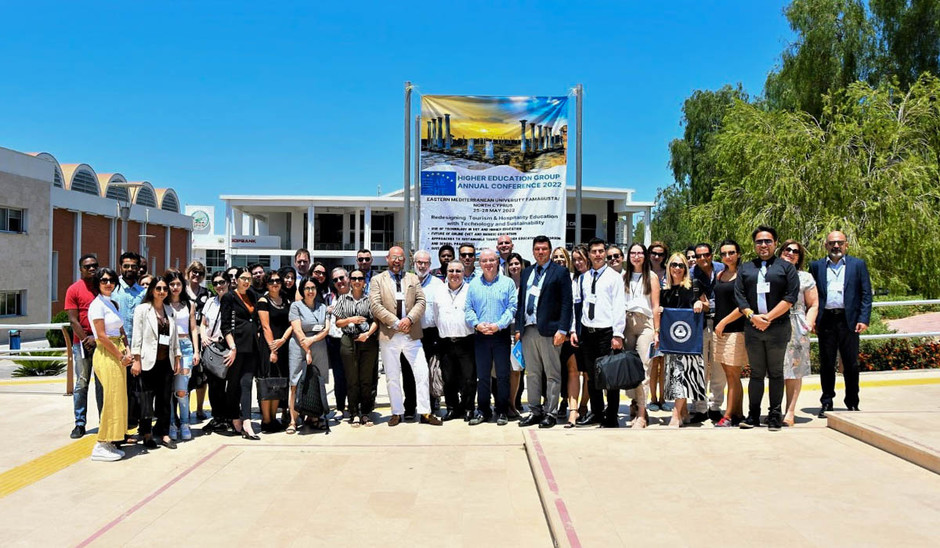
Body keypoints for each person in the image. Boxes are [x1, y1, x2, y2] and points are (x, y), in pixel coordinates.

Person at [734, 225, 799, 431]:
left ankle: (774, 415)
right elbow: (740, 296)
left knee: (776, 373)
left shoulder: (786, 268)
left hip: (777, 328)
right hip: (753, 328)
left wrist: (768, 318)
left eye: (767, 241)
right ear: (754, 245)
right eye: (759, 242)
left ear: (775, 243)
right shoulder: (746, 268)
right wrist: (752, 317)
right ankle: (753, 415)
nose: (763, 245)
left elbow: (790, 297)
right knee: (756, 373)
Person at [369, 246, 442, 426]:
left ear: (404, 261)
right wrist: (396, 323)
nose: (397, 261)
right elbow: (375, 305)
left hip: (411, 334)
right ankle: (396, 412)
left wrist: (409, 320)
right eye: (394, 257)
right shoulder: (377, 280)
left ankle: (425, 412)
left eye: (400, 258)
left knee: (422, 372)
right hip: (390, 334)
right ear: (387, 259)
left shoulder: (412, 278)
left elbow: (421, 301)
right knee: (392, 375)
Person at [810, 230, 872, 416]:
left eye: (840, 242)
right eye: (832, 243)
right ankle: (827, 401)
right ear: (826, 246)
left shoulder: (857, 265)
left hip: (849, 320)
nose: (836, 246)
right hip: (826, 320)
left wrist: (863, 319)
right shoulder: (816, 266)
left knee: (851, 364)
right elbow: (810, 295)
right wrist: (812, 319)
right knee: (827, 363)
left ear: (846, 245)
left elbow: (866, 294)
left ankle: (852, 401)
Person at [516, 236, 573, 429]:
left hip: (550, 331)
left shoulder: (560, 272)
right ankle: (535, 410)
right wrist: (519, 328)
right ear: (533, 251)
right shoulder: (527, 272)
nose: (540, 252)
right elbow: (521, 301)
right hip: (529, 329)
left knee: (552, 374)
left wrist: (562, 329)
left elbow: (566, 303)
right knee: (532, 373)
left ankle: (550, 412)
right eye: (537, 249)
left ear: (549, 250)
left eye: (544, 249)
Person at [571, 239, 626, 428]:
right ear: (589, 254)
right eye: (594, 251)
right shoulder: (584, 278)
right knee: (591, 375)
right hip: (588, 332)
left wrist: (617, 334)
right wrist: (574, 330)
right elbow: (578, 307)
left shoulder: (614, 277)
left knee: (609, 376)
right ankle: (596, 412)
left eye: (601, 251)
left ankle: (611, 416)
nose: (598, 255)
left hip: (607, 332)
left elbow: (619, 306)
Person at [465, 249, 518, 425]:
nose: (488, 264)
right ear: (480, 264)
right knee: (483, 376)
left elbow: (512, 307)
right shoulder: (474, 285)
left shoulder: (508, 283)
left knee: (502, 375)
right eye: (484, 261)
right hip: (481, 336)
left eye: (491, 260)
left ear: (497, 262)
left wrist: (498, 325)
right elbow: (468, 309)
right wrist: (477, 324)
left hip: (500, 335)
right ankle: (483, 410)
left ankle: (502, 410)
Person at [655, 253, 708, 428]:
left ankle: (676, 415)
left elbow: (707, 305)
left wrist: (700, 304)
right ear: (669, 267)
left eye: (681, 265)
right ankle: (682, 411)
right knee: (676, 376)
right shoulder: (664, 290)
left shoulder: (694, 285)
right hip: (672, 340)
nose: (677, 268)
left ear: (685, 268)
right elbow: (659, 311)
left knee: (684, 376)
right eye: (674, 265)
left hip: (691, 340)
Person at [87, 268, 133, 461]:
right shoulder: (97, 305)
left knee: (118, 398)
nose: (108, 284)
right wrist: (120, 356)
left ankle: (112, 440)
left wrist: (127, 350)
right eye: (104, 280)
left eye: (112, 280)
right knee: (110, 398)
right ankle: (101, 443)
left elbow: (120, 330)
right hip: (107, 353)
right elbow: (102, 336)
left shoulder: (111, 303)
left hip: (118, 351)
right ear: (97, 283)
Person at [131, 275, 181, 449]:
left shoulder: (169, 310)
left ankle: (165, 433)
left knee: (165, 399)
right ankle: (147, 434)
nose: (162, 292)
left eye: (165, 289)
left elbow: (174, 337)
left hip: (166, 362)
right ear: (152, 290)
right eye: (158, 288)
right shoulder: (142, 309)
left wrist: (177, 357)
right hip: (147, 361)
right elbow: (136, 336)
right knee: (146, 399)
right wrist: (136, 360)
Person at [779, 240, 819, 427]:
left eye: (795, 251)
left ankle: (790, 411)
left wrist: (808, 324)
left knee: (794, 370)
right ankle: (775, 410)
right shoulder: (771, 273)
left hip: (796, 325)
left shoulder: (805, 278)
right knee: (777, 369)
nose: (790, 253)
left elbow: (814, 304)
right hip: (774, 324)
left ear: (799, 257)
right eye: (787, 249)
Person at [334, 270, 379, 426]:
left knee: (366, 378)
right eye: (354, 278)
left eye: (360, 278)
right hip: (349, 339)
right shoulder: (342, 299)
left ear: (364, 281)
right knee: (352, 378)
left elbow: (376, 321)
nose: (357, 281)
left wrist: (367, 334)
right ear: (350, 281)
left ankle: (365, 412)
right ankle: (353, 412)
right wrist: (350, 320)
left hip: (367, 340)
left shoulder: (370, 299)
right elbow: (337, 322)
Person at [221, 267, 261, 440]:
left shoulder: (253, 295)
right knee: (233, 384)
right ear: (236, 280)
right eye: (243, 278)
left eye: (249, 279)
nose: (246, 281)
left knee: (247, 383)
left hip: (251, 346)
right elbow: (225, 325)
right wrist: (232, 347)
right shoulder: (229, 297)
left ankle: (247, 421)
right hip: (236, 347)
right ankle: (234, 417)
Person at [66, 254, 103, 439]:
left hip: (101, 343)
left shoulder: (102, 287)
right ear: (80, 269)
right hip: (81, 345)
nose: (92, 269)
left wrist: (96, 338)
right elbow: (73, 320)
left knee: (102, 384)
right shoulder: (74, 289)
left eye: (94, 265)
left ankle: (104, 422)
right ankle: (80, 423)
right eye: (87, 266)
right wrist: (86, 339)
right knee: (81, 383)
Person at [622, 243, 659, 429]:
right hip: (627, 323)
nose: (636, 256)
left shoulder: (651, 277)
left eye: (640, 253)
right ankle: (634, 404)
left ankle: (642, 415)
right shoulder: (624, 276)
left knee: (644, 367)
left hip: (645, 323)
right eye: (633, 253)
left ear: (645, 256)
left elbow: (655, 306)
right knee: (629, 367)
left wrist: (657, 331)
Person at [288, 276, 331, 431]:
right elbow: (297, 329)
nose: (310, 291)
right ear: (302, 290)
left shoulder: (322, 306)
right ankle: (293, 421)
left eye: (313, 288)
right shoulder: (296, 306)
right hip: (299, 347)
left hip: (318, 346)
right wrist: (307, 350)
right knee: (295, 383)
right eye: (307, 288)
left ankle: (314, 417)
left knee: (317, 382)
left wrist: (312, 340)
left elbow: (326, 329)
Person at [435, 261, 476, 421]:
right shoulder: (439, 291)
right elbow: (436, 315)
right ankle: (452, 408)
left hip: (466, 341)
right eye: (451, 270)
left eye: (458, 271)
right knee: (448, 378)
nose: (454, 274)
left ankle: (468, 408)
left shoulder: (471, 290)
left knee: (469, 378)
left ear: (464, 273)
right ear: (446, 273)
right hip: (446, 342)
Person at [712, 239, 748, 427]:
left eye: (731, 252)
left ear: (738, 254)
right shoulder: (719, 275)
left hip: (736, 330)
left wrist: (724, 322)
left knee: (733, 375)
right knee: (730, 375)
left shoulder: (743, 275)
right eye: (724, 253)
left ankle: (727, 416)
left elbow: (743, 306)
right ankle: (738, 414)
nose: (727, 256)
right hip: (720, 331)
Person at [690, 243, 726, 424]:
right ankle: (700, 407)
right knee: (699, 367)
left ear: (712, 255)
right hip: (700, 324)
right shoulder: (691, 274)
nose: (703, 258)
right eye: (699, 256)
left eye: (706, 255)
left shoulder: (722, 269)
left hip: (721, 323)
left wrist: (708, 304)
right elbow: (691, 299)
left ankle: (715, 407)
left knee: (719, 367)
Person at [257, 270, 293, 432]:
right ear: (266, 284)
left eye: (278, 281)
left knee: (278, 382)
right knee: (267, 382)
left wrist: (283, 340)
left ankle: (273, 418)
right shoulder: (263, 301)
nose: (275, 284)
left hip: (283, 345)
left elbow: (292, 323)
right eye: (271, 281)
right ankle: (266, 420)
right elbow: (265, 327)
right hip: (268, 347)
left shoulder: (286, 300)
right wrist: (273, 349)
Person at [113, 252, 144, 434]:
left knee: (136, 392)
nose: (130, 269)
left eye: (133, 266)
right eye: (126, 266)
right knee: (117, 392)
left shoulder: (143, 293)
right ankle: (117, 430)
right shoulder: (113, 290)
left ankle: (132, 426)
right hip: (117, 350)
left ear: (138, 268)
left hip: (139, 350)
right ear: (120, 267)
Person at [412, 250, 445, 416]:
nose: (422, 266)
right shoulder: (407, 281)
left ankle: (431, 404)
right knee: (413, 371)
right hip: (411, 332)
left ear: (430, 265)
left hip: (432, 333)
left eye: (425, 263)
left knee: (432, 370)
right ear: (414, 263)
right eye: (419, 262)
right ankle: (411, 405)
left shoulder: (438, 284)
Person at [165, 271, 197, 441]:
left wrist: (197, 351)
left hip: (185, 347)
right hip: (168, 347)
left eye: (178, 284)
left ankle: (185, 423)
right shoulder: (163, 304)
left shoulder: (189, 304)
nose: (175, 287)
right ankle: (172, 423)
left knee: (182, 389)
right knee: (169, 389)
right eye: (172, 284)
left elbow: (193, 328)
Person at [200, 271, 232, 433]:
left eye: (222, 282)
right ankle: (218, 417)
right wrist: (203, 336)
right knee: (214, 385)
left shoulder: (234, 300)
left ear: (228, 283)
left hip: (229, 348)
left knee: (230, 385)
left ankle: (230, 417)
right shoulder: (210, 302)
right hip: (212, 348)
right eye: (215, 283)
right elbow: (203, 324)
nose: (219, 286)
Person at [564, 245, 592, 427]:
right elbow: (572, 308)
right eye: (575, 259)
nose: (578, 262)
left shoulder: (594, 277)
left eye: (581, 258)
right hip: (575, 330)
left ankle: (583, 406)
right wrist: (572, 330)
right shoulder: (571, 279)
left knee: (588, 373)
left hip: (592, 331)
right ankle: (573, 411)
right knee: (573, 371)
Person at [184, 261, 210, 422]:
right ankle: (184, 410)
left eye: (200, 273)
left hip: (202, 338)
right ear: (188, 272)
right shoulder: (181, 292)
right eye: (194, 272)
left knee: (202, 376)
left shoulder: (207, 293)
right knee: (185, 375)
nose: (197, 275)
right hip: (184, 337)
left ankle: (199, 409)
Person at [646, 241, 669, 412]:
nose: (656, 256)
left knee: (664, 362)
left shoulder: (670, 272)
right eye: (654, 253)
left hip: (668, 320)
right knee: (653, 361)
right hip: (649, 321)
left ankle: (663, 398)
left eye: (660, 254)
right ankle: (653, 398)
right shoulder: (644, 272)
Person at [325, 267, 350, 418]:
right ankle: (340, 407)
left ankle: (354, 407)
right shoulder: (329, 297)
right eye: (335, 280)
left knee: (352, 376)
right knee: (338, 375)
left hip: (351, 340)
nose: (339, 281)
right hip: (334, 341)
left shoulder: (356, 295)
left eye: (342, 278)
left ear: (348, 278)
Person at [505, 251, 526, 417]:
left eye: (516, 263)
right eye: (511, 264)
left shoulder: (528, 283)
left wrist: (520, 329)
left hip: (522, 333)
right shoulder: (503, 283)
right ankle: (504, 404)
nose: (514, 266)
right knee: (502, 371)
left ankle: (512, 403)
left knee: (516, 370)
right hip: (504, 332)